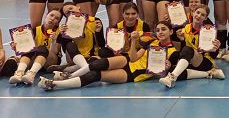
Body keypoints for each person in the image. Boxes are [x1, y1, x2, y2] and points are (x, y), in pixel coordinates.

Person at [40, 21, 180, 90]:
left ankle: (56, 84)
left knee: (95, 75)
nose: (160, 32)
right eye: (158, 30)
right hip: (128, 61)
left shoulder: (173, 52)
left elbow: (164, 73)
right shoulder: (151, 42)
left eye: (164, 30)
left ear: (171, 32)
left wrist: (167, 68)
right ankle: (68, 76)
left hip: (134, 73)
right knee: (98, 63)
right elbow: (133, 58)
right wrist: (133, 42)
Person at [161, 6, 225, 87]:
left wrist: (216, 48)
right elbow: (182, 53)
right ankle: (208, 74)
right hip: (190, 61)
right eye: (197, 12)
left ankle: (172, 77)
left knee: (188, 50)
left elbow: (213, 56)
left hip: (205, 62)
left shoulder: (208, 32)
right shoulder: (186, 28)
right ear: (193, 13)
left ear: (205, 18)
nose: (199, 16)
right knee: (172, 70)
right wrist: (182, 40)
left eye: (202, 15)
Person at [7, 9, 63, 85]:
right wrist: (16, 48)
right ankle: (19, 73)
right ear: (46, 15)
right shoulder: (35, 30)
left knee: (42, 48)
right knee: (29, 48)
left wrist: (54, 40)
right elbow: (24, 49)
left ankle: (31, 75)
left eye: (56, 18)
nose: (52, 18)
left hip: (50, 61)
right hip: (36, 60)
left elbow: (55, 52)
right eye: (51, 15)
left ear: (58, 22)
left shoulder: (59, 33)